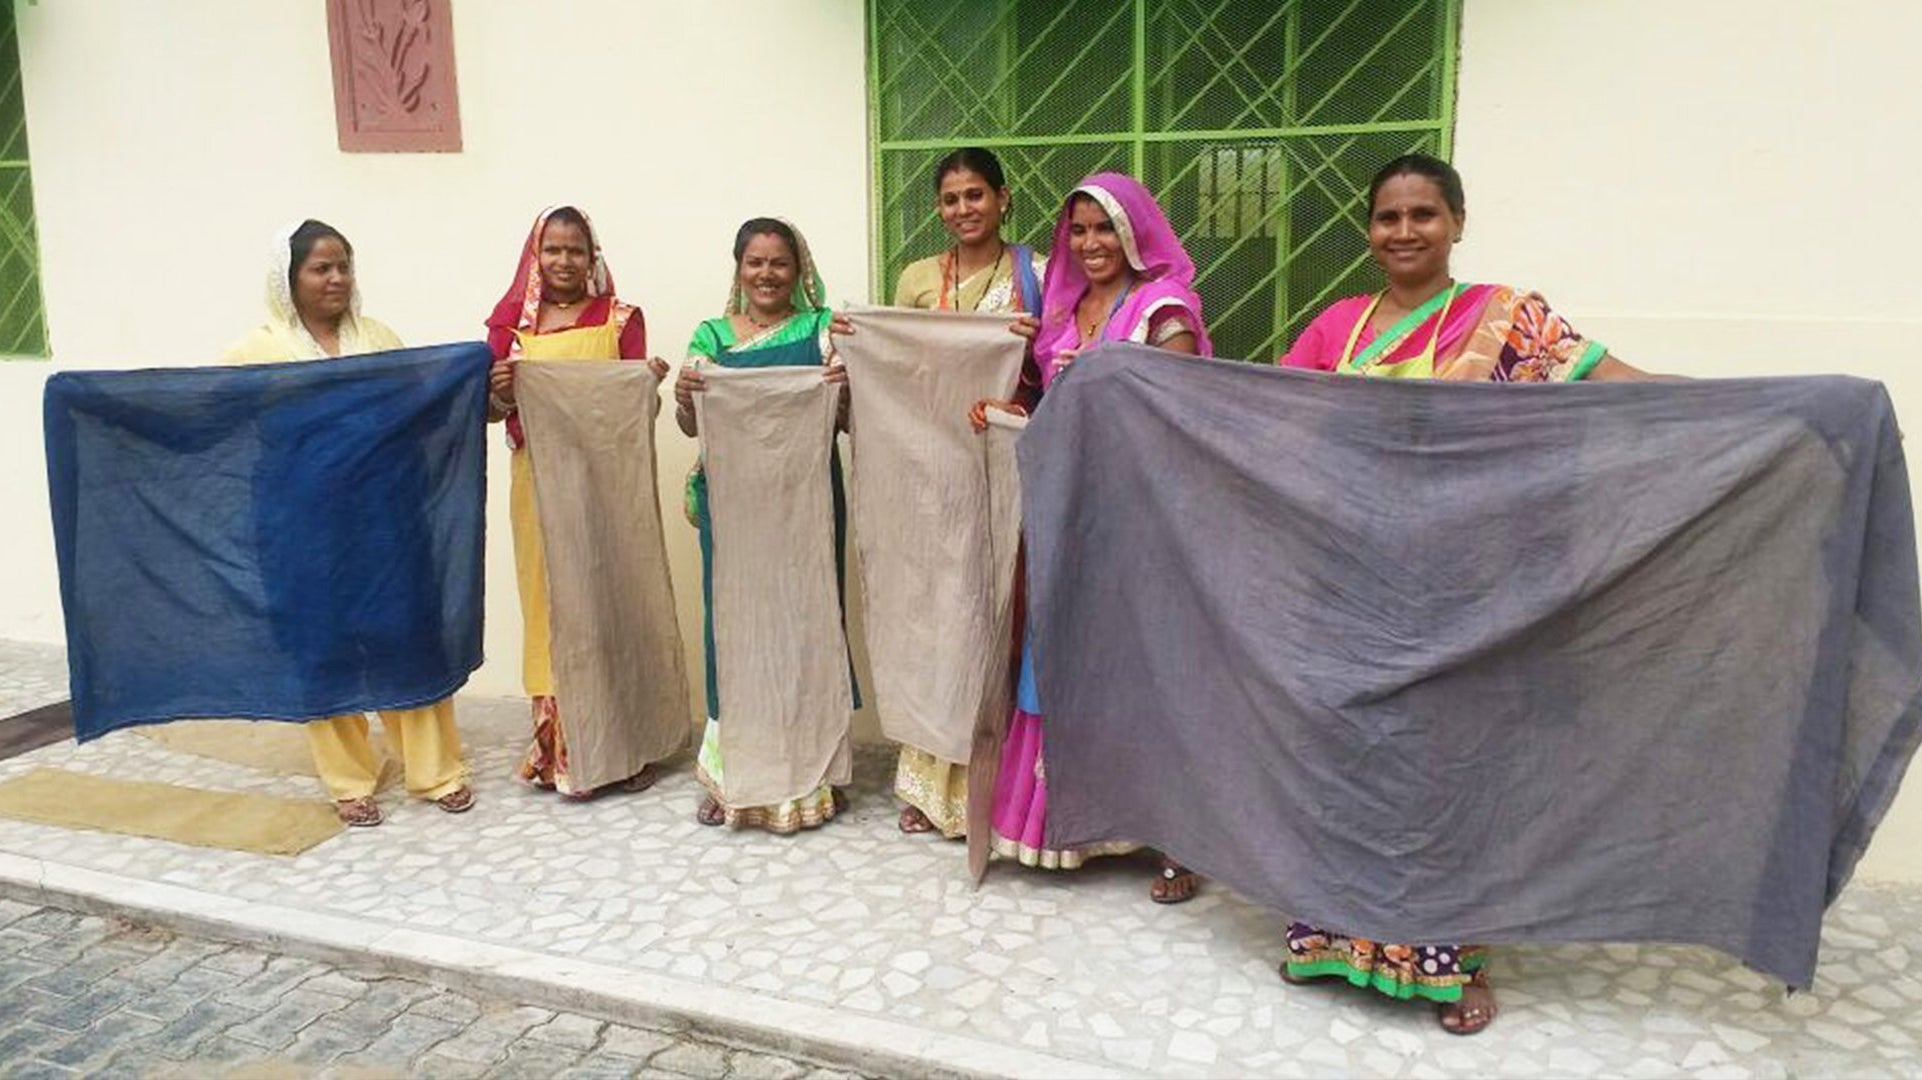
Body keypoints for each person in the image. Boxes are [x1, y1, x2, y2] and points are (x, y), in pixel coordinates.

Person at [1276, 152, 1660, 1035]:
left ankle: (1454, 962)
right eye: (1386, 217)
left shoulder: (1509, 320)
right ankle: (1328, 939)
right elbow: (1259, 418)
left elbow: (1620, 391)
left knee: (1449, 773)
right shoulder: (1338, 327)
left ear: (1456, 222)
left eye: (1423, 215)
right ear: (1367, 230)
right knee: (1351, 762)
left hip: (1469, 595)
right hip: (1353, 585)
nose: (1403, 232)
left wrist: (1767, 404)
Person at [980, 173, 1210, 903]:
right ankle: (1061, 825)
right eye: (1078, 231)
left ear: (1136, 232)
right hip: (1065, 504)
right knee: (1058, 649)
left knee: (1144, 661)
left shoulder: (1164, 305)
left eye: (1105, 229)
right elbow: (1050, 398)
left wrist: (1112, 374)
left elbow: (1181, 395)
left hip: (1139, 512)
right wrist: (1006, 404)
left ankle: (1175, 840)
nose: (1091, 244)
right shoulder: (1063, 309)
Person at [222, 219, 473, 827]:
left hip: (385, 519)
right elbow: (222, 422)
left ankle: (436, 771)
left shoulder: (380, 339)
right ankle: (349, 780)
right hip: (303, 525)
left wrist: (475, 385)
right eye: (320, 268)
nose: (336, 278)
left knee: (407, 632)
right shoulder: (257, 352)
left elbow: (419, 412)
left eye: (343, 266)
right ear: (290, 279)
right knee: (322, 643)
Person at [880, 147, 1045, 839]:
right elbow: (901, 364)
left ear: (1004, 199)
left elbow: (1051, 364)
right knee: (941, 615)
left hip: (1010, 461)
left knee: (1001, 615)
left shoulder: (1034, 274)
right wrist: (859, 341)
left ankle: (995, 782)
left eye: (975, 195)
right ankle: (931, 785)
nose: (963, 210)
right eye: (950, 199)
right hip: (935, 470)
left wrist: (1030, 348)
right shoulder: (918, 277)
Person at [672, 217, 855, 834]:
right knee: (735, 626)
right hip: (735, 511)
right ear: (738, 268)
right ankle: (733, 776)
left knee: (806, 624)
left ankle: (811, 775)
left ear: (799, 270)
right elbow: (692, 427)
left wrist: (843, 387)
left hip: (806, 505)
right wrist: (684, 394)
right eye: (755, 262)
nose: (767, 274)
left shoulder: (822, 331)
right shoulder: (712, 336)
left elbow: (848, 417)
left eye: (779, 263)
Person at [484, 205, 670, 799]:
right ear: (534, 257)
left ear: (594, 256)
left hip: (607, 485)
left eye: (576, 250)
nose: (564, 261)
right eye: (552, 250)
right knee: (551, 605)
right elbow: (489, 411)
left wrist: (647, 383)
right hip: (537, 480)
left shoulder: (620, 320)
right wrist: (502, 394)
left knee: (608, 597)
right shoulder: (511, 326)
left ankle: (623, 745)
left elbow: (635, 406)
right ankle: (559, 749)